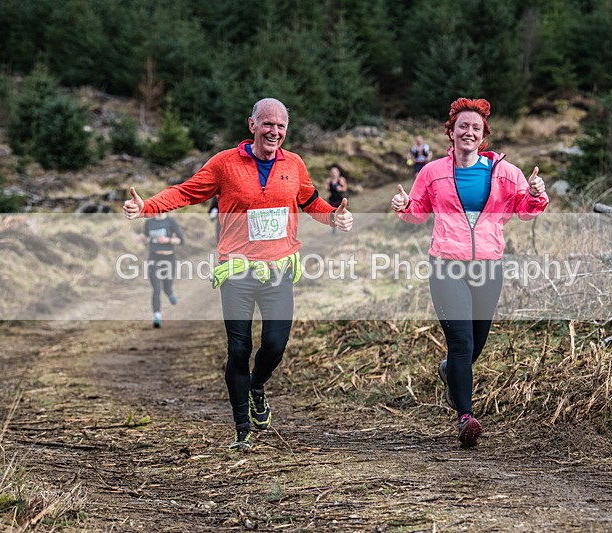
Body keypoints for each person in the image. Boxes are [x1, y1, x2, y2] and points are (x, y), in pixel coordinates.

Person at [124, 98, 354, 450]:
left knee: (275, 346)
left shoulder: (293, 164)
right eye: (267, 124)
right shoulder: (224, 164)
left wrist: (333, 216)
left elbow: (310, 203)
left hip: (279, 268)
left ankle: (257, 387)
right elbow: (186, 192)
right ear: (252, 125)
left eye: (280, 126)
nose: (273, 131)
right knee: (239, 348)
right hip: (237, 270)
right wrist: (147, 207)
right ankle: (242, 428)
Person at [390, 97, 548, 448]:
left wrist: (537, 193)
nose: (469, 132)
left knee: (475, 344)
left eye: (476, 128)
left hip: (489, 266)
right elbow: (417, 212)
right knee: (460, 341)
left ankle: (449, 371)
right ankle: (465, 417)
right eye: (463, 126)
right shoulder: (432, 172)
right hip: (446, 265)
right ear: (452, 131)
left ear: (483, 135)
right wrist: (403, 206)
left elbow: (525, 210)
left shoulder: (505, 172)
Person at [142, 212, 184, 328]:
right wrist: (140, 239)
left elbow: (181, 240)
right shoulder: (149, 222)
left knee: (166, 287)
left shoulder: (171, 221)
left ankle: (170, 293)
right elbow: (146, 237)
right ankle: (157, 317)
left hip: (169, 258)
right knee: (156, 288)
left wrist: (167, 240)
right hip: (154, 257)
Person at [326, 166, 347, 233]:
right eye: (333, 172)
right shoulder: (329, 180)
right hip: (332, 199)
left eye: (335, 172)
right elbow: (327, 188)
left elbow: (345, 188)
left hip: (339, 199)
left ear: (338, 173)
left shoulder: (341, 179)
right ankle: (333, 228)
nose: (334, 174)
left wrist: (340, 188)